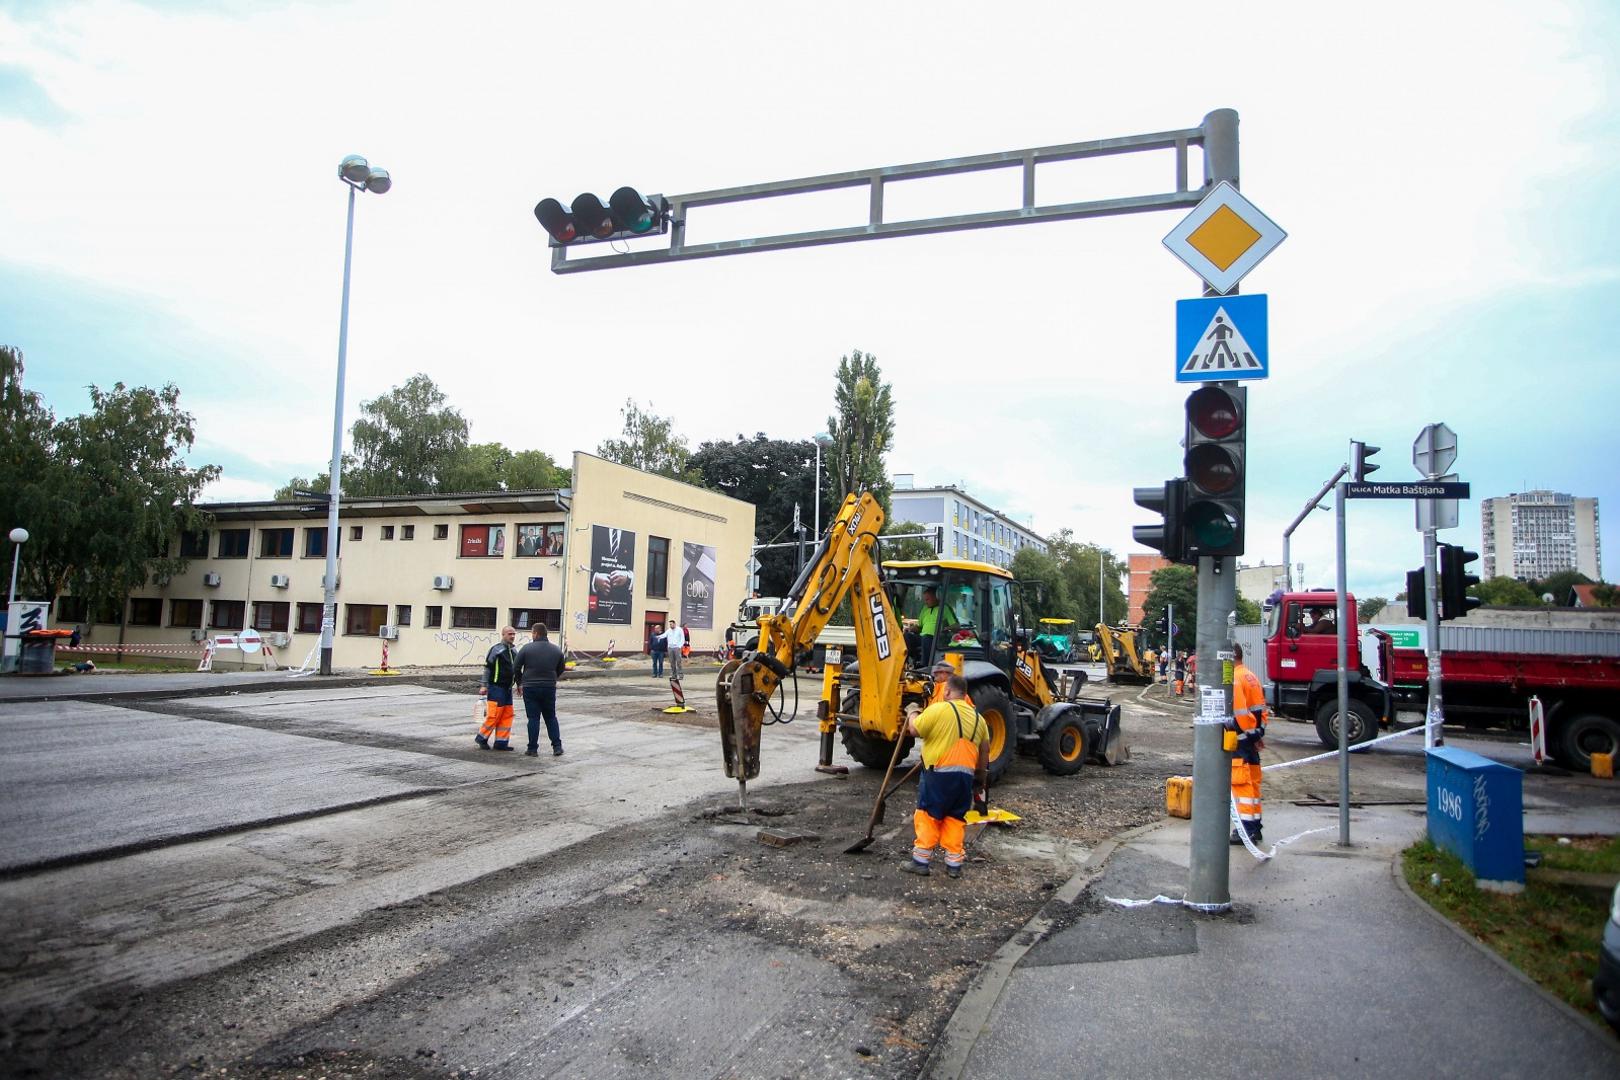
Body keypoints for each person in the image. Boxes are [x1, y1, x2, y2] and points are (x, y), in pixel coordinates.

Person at [902, 674, 989, 879]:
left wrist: (912, 712)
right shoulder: (979, 719)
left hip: (938, 775)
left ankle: (921, 862)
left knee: (928, 815)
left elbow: (914, 730)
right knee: (955, 819)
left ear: (947, 691)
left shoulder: (939, 709)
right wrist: (980, 779)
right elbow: (985, 751)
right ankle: (953, 865)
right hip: (965, 778)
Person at [1229, 642, 1267, 845]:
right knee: (1252, 785)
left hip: (1241, 741)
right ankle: (1255, 826)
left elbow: (1239, 713)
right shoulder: (1250, 675)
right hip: (1251, 740)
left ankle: (1245, 830)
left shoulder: (1235, 678)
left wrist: (1246, 734)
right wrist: (1258, 734)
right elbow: (1261, 708)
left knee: (1242, 785)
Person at [516, 623, 568, 757]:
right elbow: (561, 668)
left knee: (533, 718)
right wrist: (552, 677)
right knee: (551, 717)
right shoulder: (556, 650)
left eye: (532, 633)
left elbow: (515, 667)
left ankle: (532, 749)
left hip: (530, 687)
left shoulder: (526, 649)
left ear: (536, 634)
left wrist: (519, 682)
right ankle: (557, 747)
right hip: (549, 687)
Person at [475, 626, 519, 751]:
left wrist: (519, 685)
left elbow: (516, 670)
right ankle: (482, 737)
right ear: (503, 634)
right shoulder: (496, 650)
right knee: (494, 715)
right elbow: (488, 668)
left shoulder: (514, 651)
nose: (512, 636)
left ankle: (501, 742)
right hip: (496, 687)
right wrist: (484, 685)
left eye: (514, 634)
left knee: (507, 715)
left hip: (507, 688)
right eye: (510, 634)